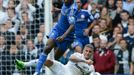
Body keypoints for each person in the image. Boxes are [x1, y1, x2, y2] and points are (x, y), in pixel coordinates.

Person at [34, 0, 77, 75]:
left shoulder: (72, 10)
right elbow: (65, 10)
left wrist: (63, 36)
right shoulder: (66, 3)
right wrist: (59, 10)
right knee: (47, 47)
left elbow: (72, 26)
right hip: (58, 29)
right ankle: (37, 71)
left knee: (55, 58)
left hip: (67, 36)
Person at [15, 44, 98, 75]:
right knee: (47, 61)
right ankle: (23, 65)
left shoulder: (91, 67)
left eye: (89, 52)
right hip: (63, 68)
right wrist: (84, 61)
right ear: (83, 50)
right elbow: (71, 58)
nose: (87, 53)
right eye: (86, 51)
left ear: (92, 53)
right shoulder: (78, 55)